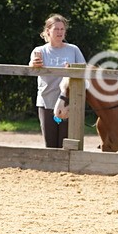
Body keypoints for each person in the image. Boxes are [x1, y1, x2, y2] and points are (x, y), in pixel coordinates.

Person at [30, 14, 86, 149]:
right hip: (47, 101)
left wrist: (72, 70)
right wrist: (34, 65)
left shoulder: (73, 49)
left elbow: (84, 71)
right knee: (50, 143)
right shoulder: (40, 51)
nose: (60, 32)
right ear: (48, 31)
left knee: (66, 141)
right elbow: (31, 67)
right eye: (56, 29)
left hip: (68, 103)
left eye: (62, 29)